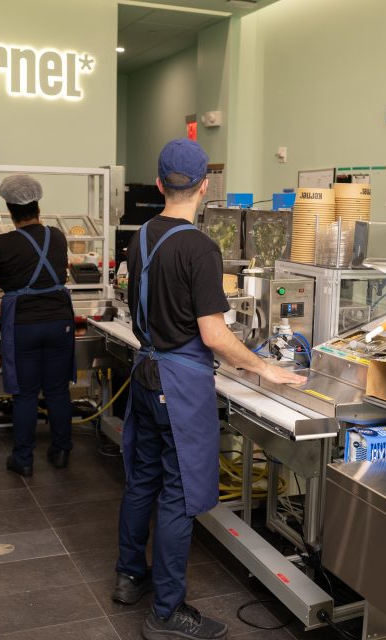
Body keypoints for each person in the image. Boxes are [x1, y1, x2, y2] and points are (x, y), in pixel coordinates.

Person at [112, 139, 306, 640]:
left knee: (141, 481)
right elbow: (214, 334)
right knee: (176, 497)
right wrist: (264, 368)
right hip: (178, 381)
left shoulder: (141, 236)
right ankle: (167, 613)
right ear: (204, 186)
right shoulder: (199, 246)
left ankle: (129, 576)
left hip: (146, 371)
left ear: (159, 184)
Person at [0, 175, 76, 477]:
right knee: (58, 391)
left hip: (24, 324)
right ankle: (61, 452)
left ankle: (23, 459)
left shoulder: (3, 243)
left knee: (25, 393)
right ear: (38, 207)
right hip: (60, 321)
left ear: (10, 211)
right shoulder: (57, 236)